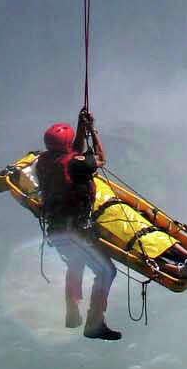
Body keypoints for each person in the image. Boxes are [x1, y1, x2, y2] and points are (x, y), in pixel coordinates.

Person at [33, 106, 121, 342]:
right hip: (77, 230)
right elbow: (100, 159)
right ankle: (94, 323)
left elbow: (73, 154)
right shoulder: (75, 164)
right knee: (106, 271)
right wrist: (92, 130)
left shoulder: (43, 161)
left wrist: (81, 126)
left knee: (75, 262)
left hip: (56, 229)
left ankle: (72, 313)